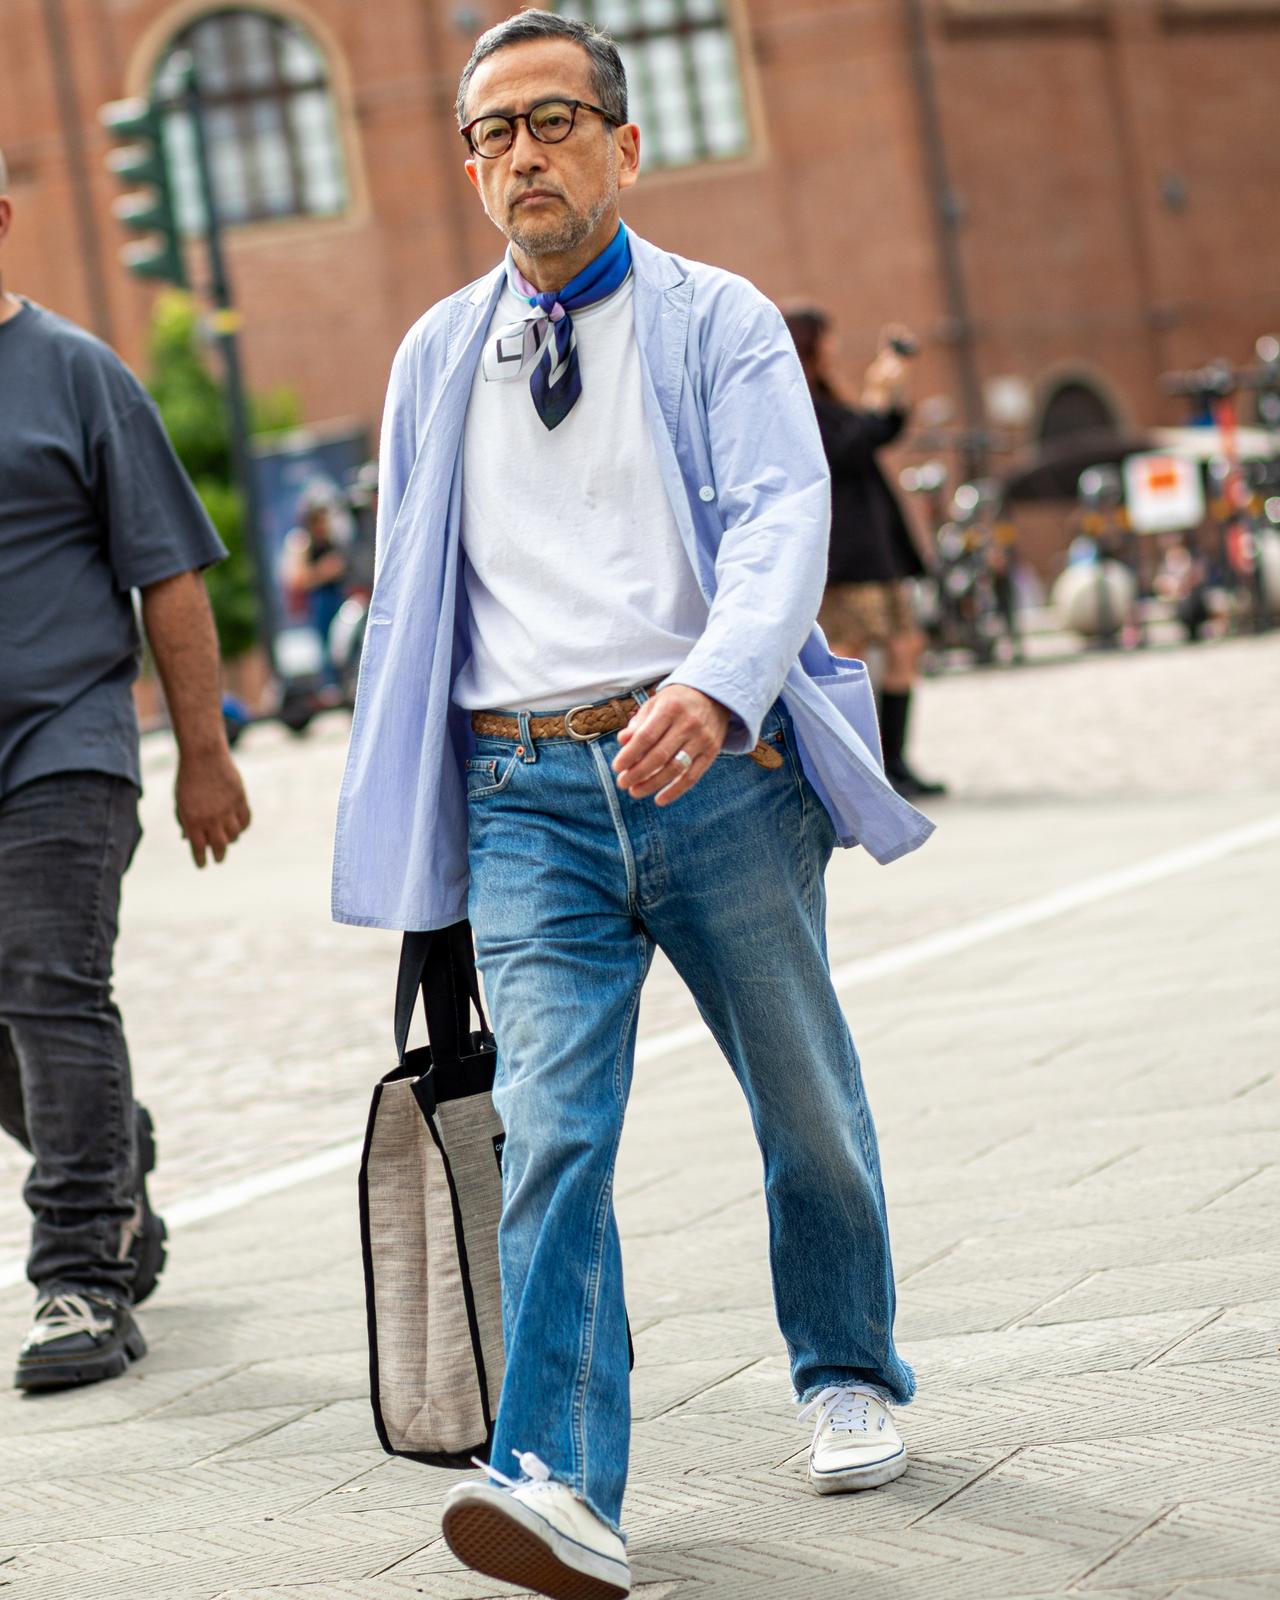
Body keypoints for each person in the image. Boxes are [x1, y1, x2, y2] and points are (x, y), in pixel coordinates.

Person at [332, 15, 932, 1598]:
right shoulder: (433, 356)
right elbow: (412, 592)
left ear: (622, 143)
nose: (518, 156)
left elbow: (783, 519)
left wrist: (721, 685)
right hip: (525, 786)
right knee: (553, 1130)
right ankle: (559, 1483)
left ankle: (847, 1364)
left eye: (549, 122)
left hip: (715, 774)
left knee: (802, 1096)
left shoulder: (717, 322)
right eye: (489, 135)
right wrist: (423, 821)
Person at [0, 149, 251, 1391]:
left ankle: (81, 1278)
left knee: (47, 980)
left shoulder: (76, 374)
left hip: (64, 743)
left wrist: (204, 754)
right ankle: (111, 1154)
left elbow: (168, 570)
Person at [783, 308, 946, 800]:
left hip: (877, 545)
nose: (834, 346)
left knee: (904, 646)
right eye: (827, 339)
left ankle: (893, 760)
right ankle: (856, 767)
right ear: (810, 344)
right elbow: (845, 451)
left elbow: (877, 434)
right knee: (847, 654)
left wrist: (890, 391)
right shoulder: (796, 399)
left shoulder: (828, 395)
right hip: (848, 551)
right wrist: (875, 399)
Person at [281, 493, 349, 686]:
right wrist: (324, 571)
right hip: (319, 600)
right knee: (325, 647)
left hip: (337, 596)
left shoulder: (330, 537)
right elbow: (297, 580)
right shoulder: (301, 541)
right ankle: (330, 684)